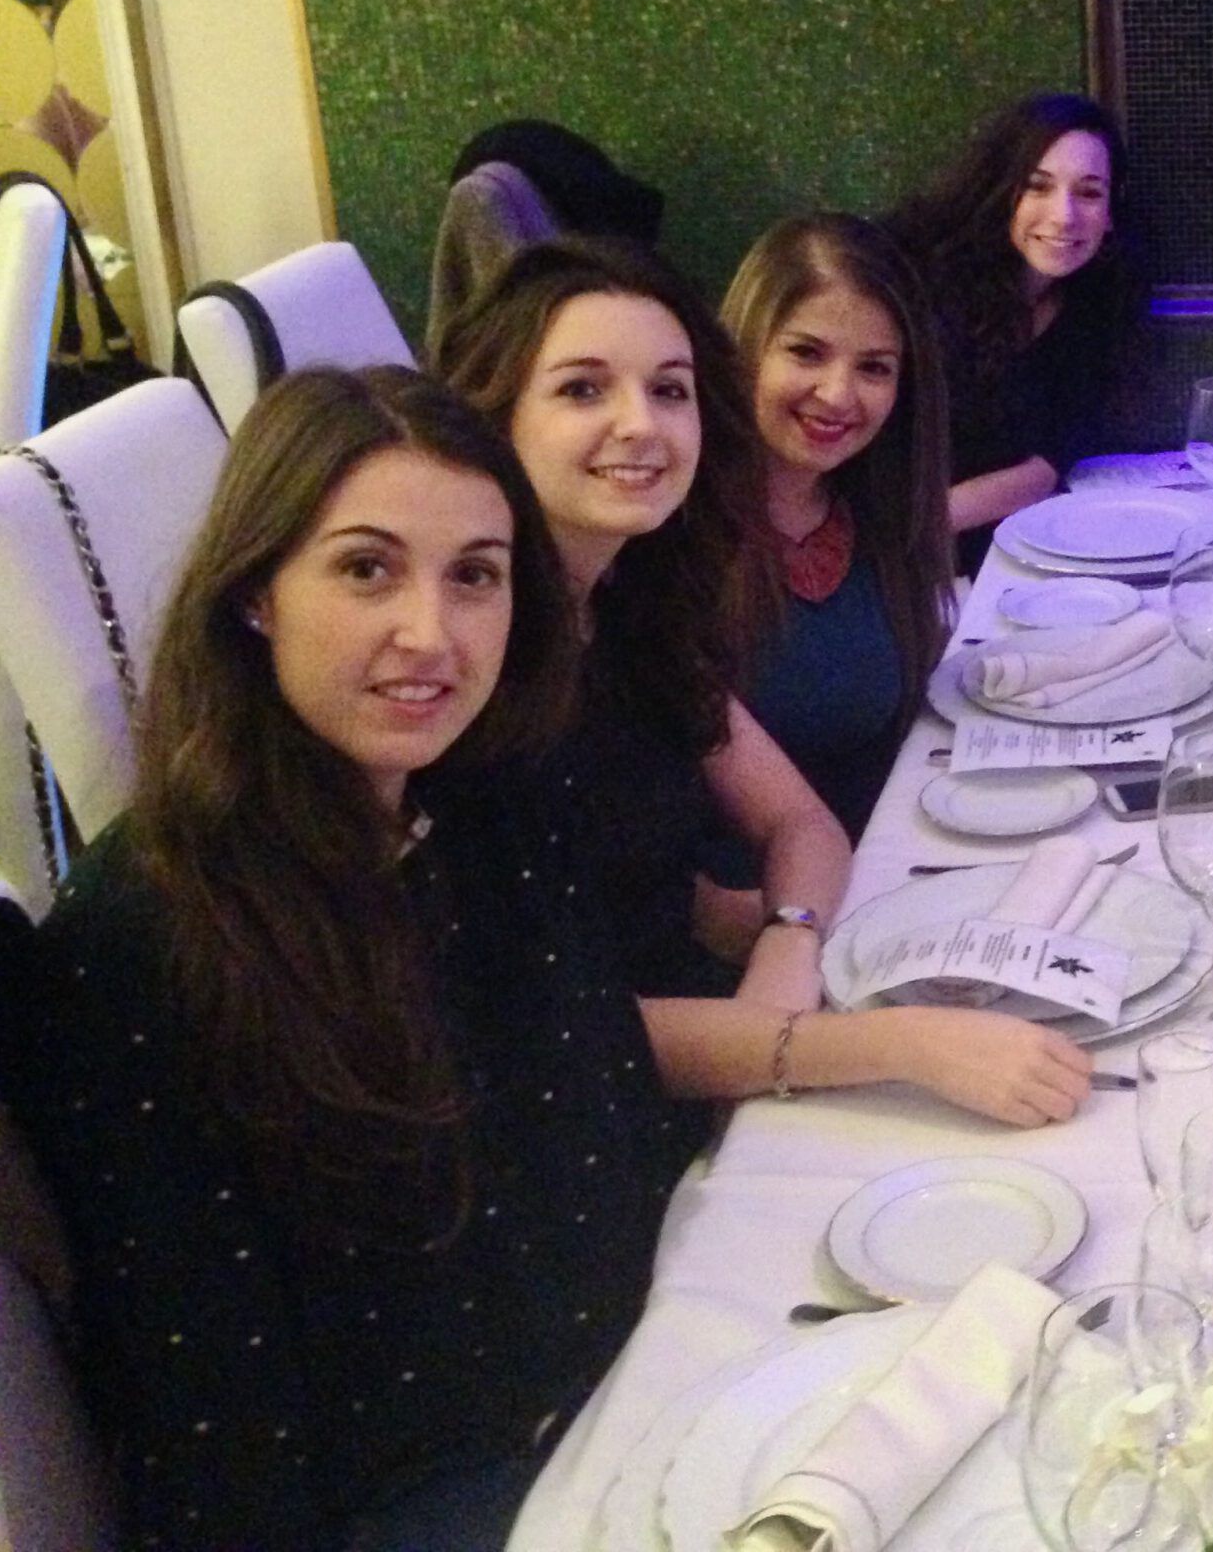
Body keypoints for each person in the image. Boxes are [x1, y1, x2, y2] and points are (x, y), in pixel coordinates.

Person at [11, 366, 673, 1548]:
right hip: (423, 1507)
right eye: (367, 569)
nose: (431, 635)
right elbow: (214, 1424)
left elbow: (612, 1129)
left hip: (628, 1394)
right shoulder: (143, 947)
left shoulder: (493, 809)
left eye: (475, 575)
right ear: (256, 591)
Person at [438, 237, 1090, 1125]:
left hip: (726, 1027)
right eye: (583, 389)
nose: (639, 425)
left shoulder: (629, 611)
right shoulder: (466, 666)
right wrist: (887, 1044)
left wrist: (789, 942)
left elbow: (799, 822)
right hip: (598, 1124)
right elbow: (544, 1028)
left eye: (668, 390)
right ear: (494, 411)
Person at [719, 211, 953, 844]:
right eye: (806, 352)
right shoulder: (674, 533)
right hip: (758, 897)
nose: (838, 394)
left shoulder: (880, 516)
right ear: (746, 348)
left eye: (874, 367)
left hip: (887, 856)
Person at [888, 92, 1139, 566]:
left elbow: (1048, 463)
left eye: (1089, 193)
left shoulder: (1093, 303)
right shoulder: (922, 289)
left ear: (1111, 213)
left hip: (1006, 549)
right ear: (1003, 192)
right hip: (897, 553)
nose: (1064, 215)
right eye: (1038, 187)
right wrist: (903, 536)